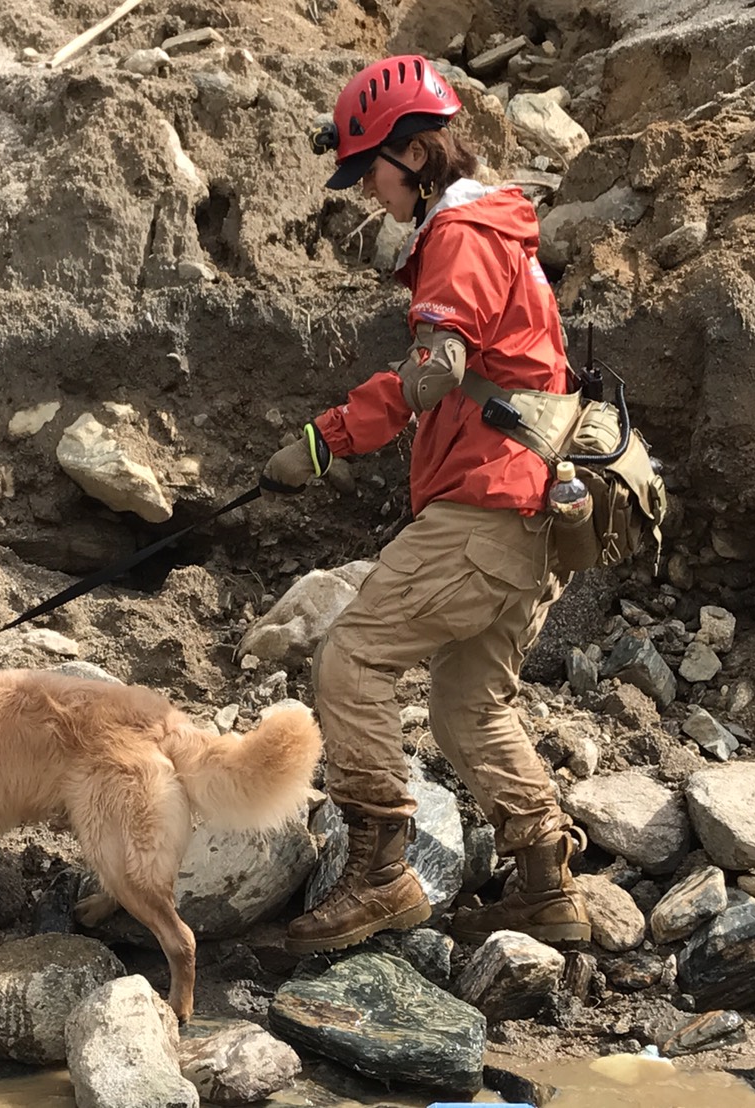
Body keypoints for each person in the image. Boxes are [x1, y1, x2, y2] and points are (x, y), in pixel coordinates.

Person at [260, 55, 590, 952]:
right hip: (537, 515)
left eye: (369, 167)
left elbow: (439, 370)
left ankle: (380, 877)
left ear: (416, 151)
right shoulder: (499, 234)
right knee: (469, 702)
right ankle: (546, 884)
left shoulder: (462, 236)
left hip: (487, 508)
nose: (367, 189)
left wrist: (326, 439)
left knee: (352, 661)